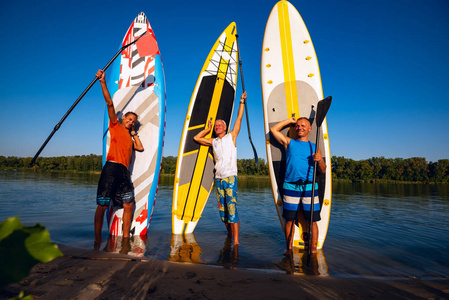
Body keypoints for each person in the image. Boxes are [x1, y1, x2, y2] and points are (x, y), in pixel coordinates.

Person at [94, 69, 144, 244]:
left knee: (128, 204)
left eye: (133, 121)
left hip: (123, 172)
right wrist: (102, 82)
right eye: (129, 119)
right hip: (111, 168)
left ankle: (124, 239)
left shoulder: (131, 137)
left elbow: (140, 148)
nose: (130, 122)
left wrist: (134, 133)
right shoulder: (115, 125)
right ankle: (98, 238)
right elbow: (109, 103)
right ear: (124, 118)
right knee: (102, 204)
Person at [193, 91, 247, 246]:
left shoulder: (232, 137)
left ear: (225, 127)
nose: (217, 127)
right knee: (223, 212)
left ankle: (236, 241)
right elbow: (197, 138)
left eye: (219, 125)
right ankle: (229, 235)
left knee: (232, 209)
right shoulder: (213, 141)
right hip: (219, 178)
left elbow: (239, 118)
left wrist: (241, 102)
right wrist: (207, 128)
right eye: (215, 126)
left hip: (230, 177)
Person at [270, 117, 326, 254]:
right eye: (297, 126)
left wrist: (319, 161)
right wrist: (289, 121)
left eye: (303, 125)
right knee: (289, 219)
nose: (300, 128)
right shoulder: (289, 142)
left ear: (309, 128)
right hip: (290, 186)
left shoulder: (314, 146)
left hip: (309, 187)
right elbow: (273, 130)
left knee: (312, 221)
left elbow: (323, 170)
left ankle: (313, 251)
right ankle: (288, 248)